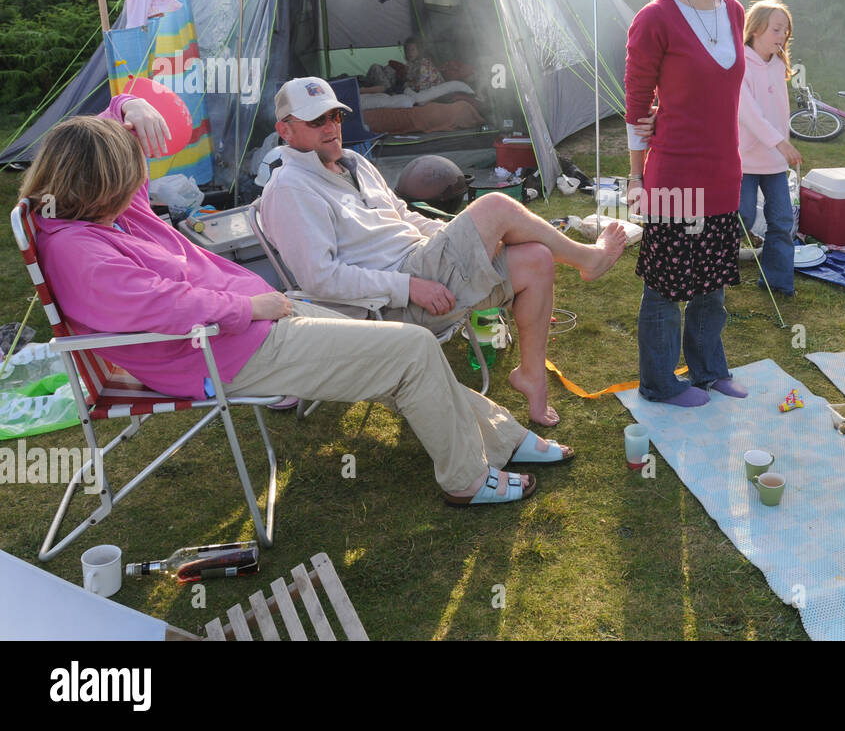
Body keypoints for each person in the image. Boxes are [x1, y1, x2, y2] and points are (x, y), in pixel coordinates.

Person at [22, 96, 573, 506]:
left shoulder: (102, 213)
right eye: (129, 172)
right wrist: (249, 308)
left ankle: (503, 437)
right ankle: (465, 479)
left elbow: (124, 157)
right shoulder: (83, 253)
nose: (141, 180)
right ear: (100, 184)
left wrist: (127, 104)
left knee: (394, 356)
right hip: (224, 352)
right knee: (410, 351)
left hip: (255, 323)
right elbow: (161, 307)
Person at [261, 77, 626, 428]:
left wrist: (460, 238)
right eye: (316, 120)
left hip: (423, 263)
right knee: (496, 206)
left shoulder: (354, 164)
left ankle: (531, 376)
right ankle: (587, 259)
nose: (331, 127)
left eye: (335, 116)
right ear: (286, 130)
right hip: (390, 307)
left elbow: (403, 217)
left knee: (536, 260)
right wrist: (409, 287)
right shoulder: (291, 189)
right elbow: (320, 278)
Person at [625, 0, 749, 407]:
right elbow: (636, 105)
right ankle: (658, 383)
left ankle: (708, 371)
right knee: (665, 289)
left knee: (712, 289)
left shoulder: (737, 12)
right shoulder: (656, 18)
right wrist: (635, 176)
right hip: (673, 176)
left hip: (724, 173)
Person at [738, 0, 802, 296]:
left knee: (782, 220)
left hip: (775, 160)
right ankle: (713, 267)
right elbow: (748, 112)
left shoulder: (778, 65)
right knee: (743, 216)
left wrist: (782, 143)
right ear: (756, 29)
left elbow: (779, 111)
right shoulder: (739, 63)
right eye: (776, 29)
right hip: (745, 158)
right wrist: (780, 142)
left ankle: (777, 281)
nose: (781, 36)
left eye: (785, 32)